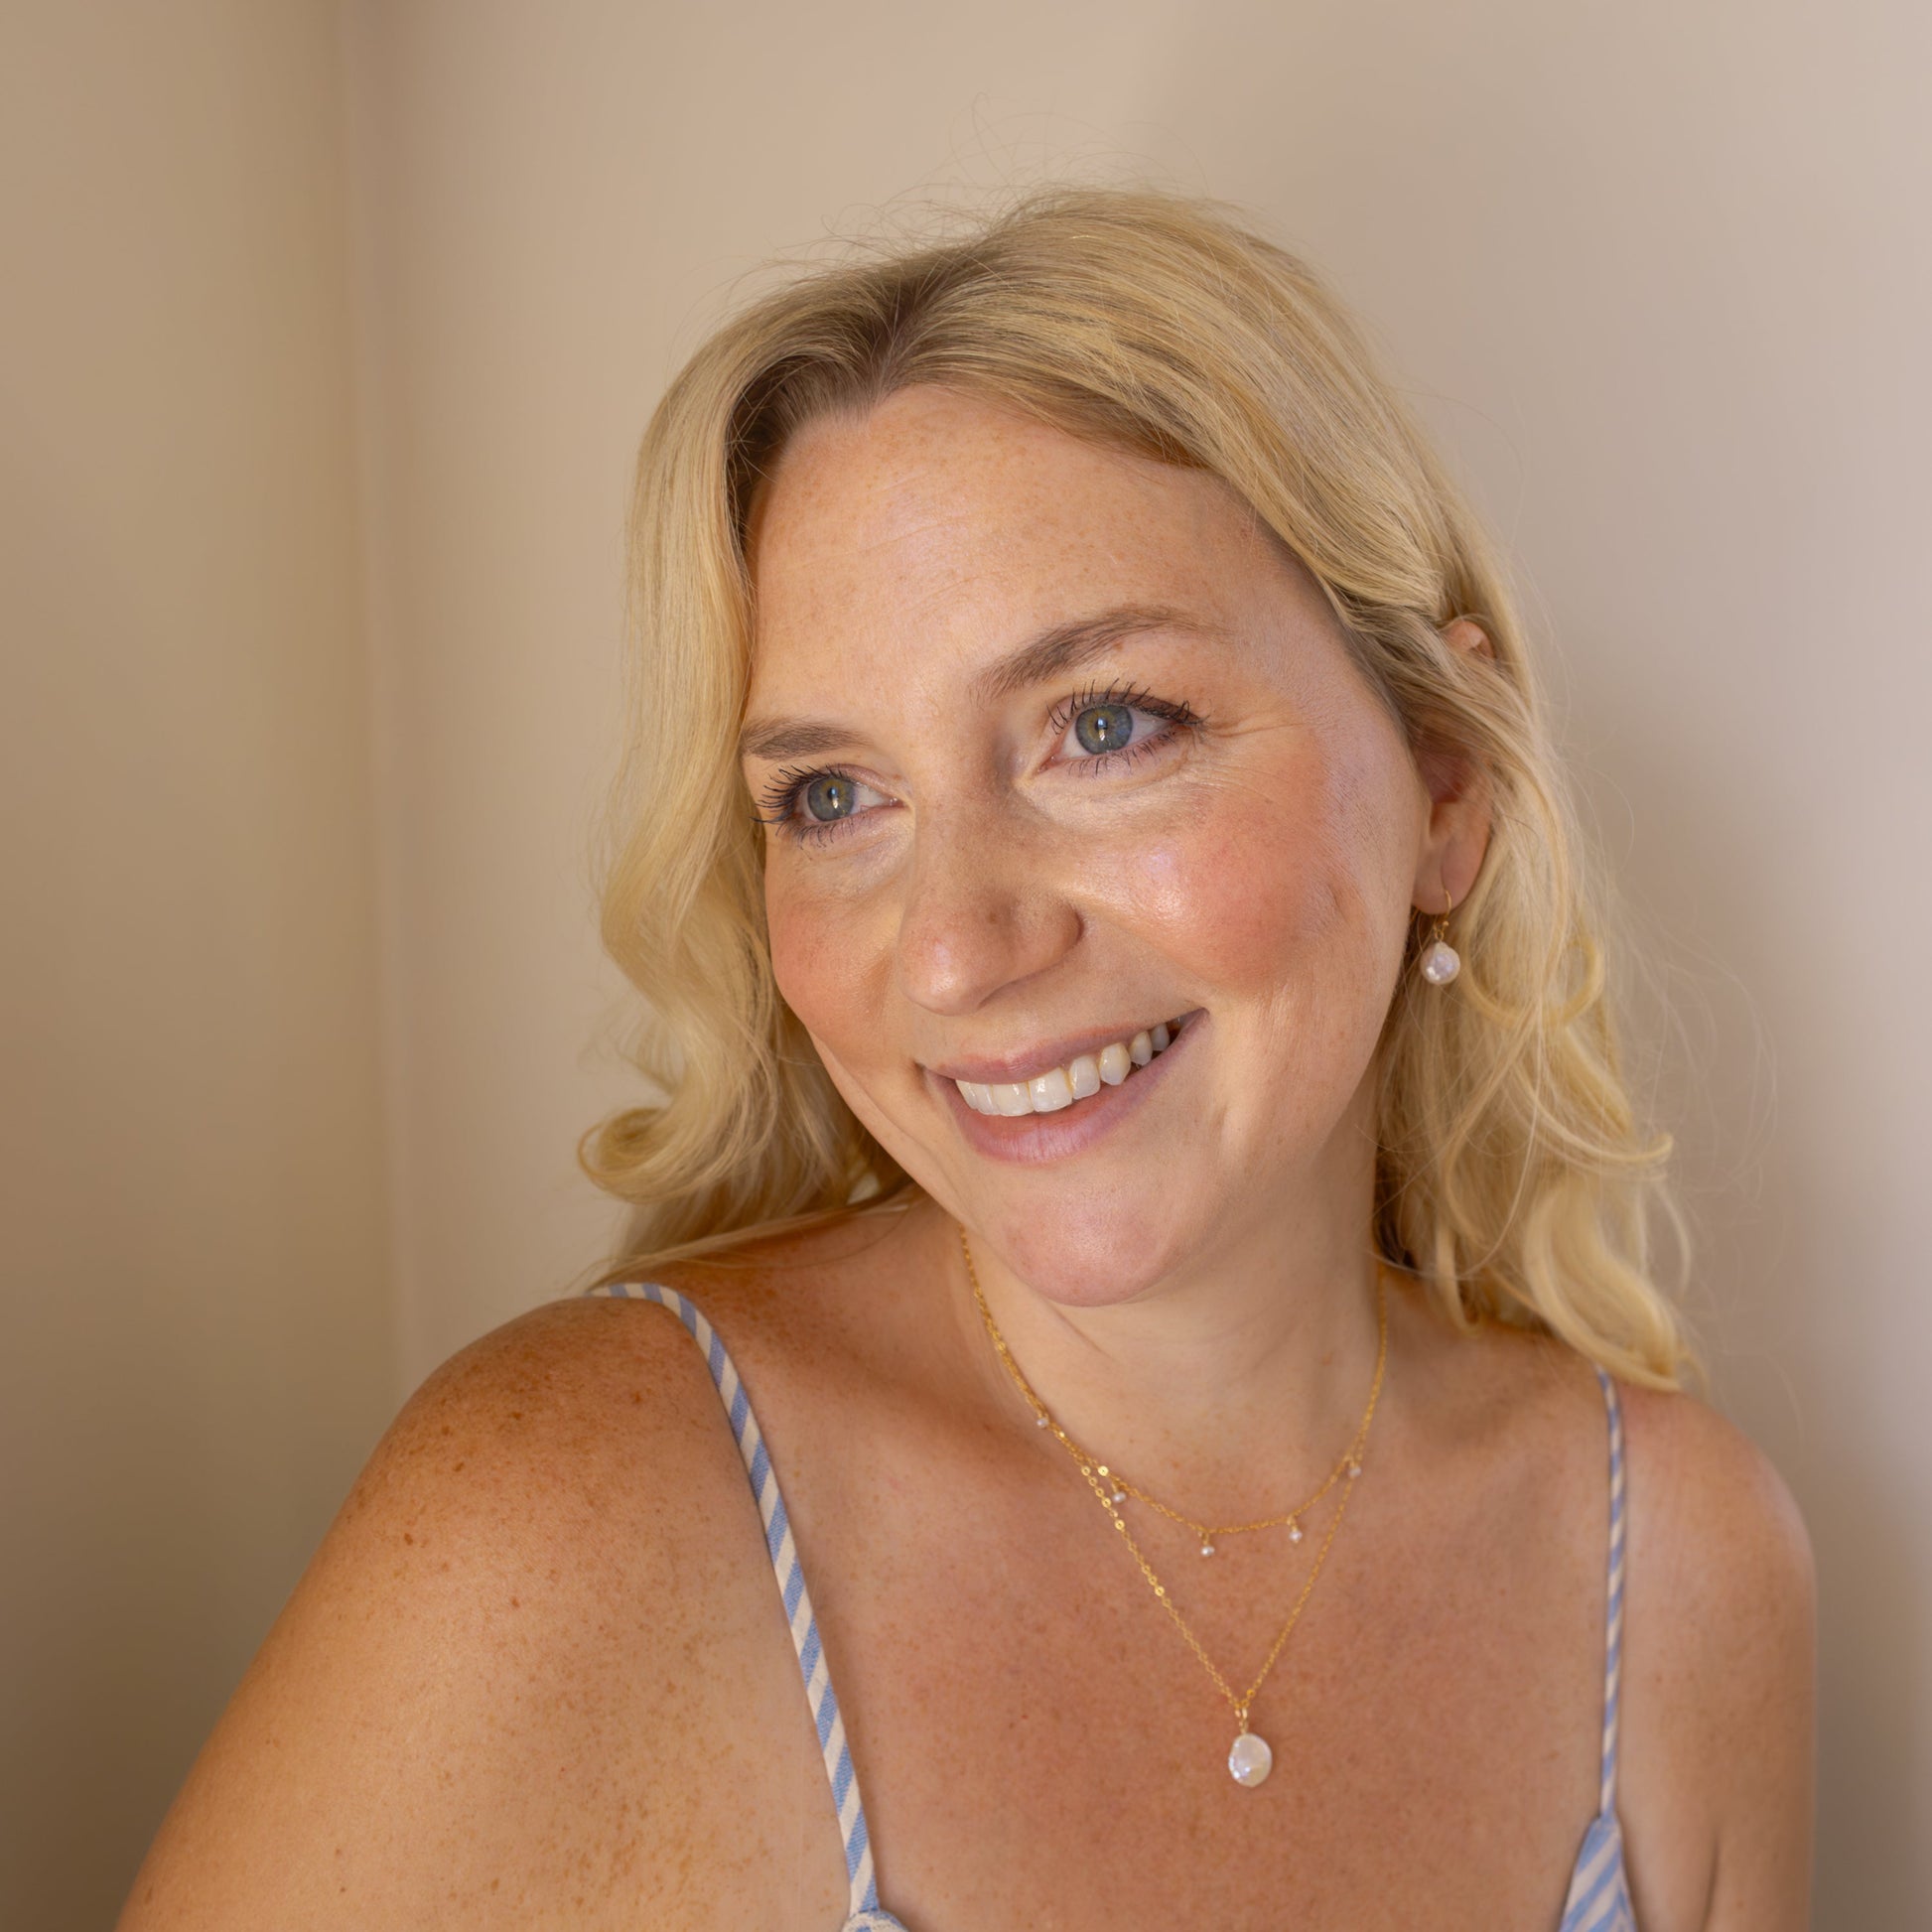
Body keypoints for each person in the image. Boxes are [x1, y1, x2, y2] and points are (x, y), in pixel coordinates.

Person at [119, 188, 1814, 1930]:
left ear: (1445, 780)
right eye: (832, 798)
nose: (951, 947)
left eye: (1102, 726)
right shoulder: (573, 1522)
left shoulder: (1678, 1566)